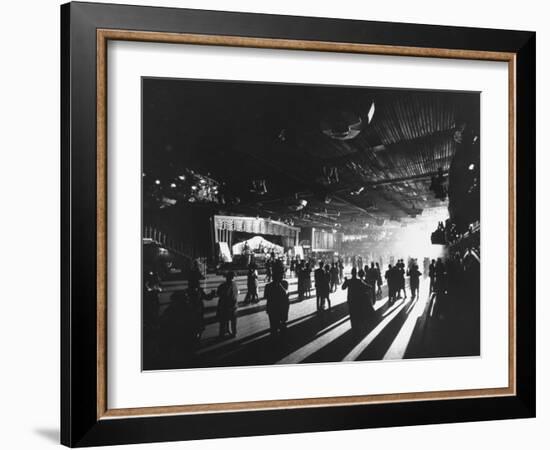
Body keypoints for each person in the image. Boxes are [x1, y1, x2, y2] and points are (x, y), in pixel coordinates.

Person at [342, 268, 373, 336]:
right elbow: (369, 287)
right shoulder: (359, 281)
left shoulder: (349, 281)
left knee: (352, 316)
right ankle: (358, 330)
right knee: (358, 315)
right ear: (356, 273)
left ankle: (354, 329)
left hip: (351, 301)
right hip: (358, 301)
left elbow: (343, 287)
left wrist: (345, 281)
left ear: (351, 273)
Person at [264, 262, 290, 336]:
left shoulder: (284, 283)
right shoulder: (269, 286)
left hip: (280, 308)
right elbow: (266, 296)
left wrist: (278, 284)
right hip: (275, 308)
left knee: (281, 326)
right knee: (274, 327)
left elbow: (286, 293)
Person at [216, 271, 239, 338]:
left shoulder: (222, 285)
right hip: (233, 306)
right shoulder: (235, 284)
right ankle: (234, 333)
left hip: (225, 306)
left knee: (223, 321)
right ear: (233, 277)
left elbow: (219, 294)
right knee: (233, 321)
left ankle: (223, 333)